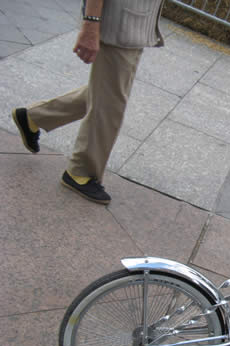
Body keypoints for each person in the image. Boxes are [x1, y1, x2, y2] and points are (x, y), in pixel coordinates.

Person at [11, 0, 165, 205]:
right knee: (110, 104)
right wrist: (91, 23)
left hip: (133, 25)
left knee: (107, 92)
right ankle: (80, 172)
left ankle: (33, 117)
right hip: (117, 25)